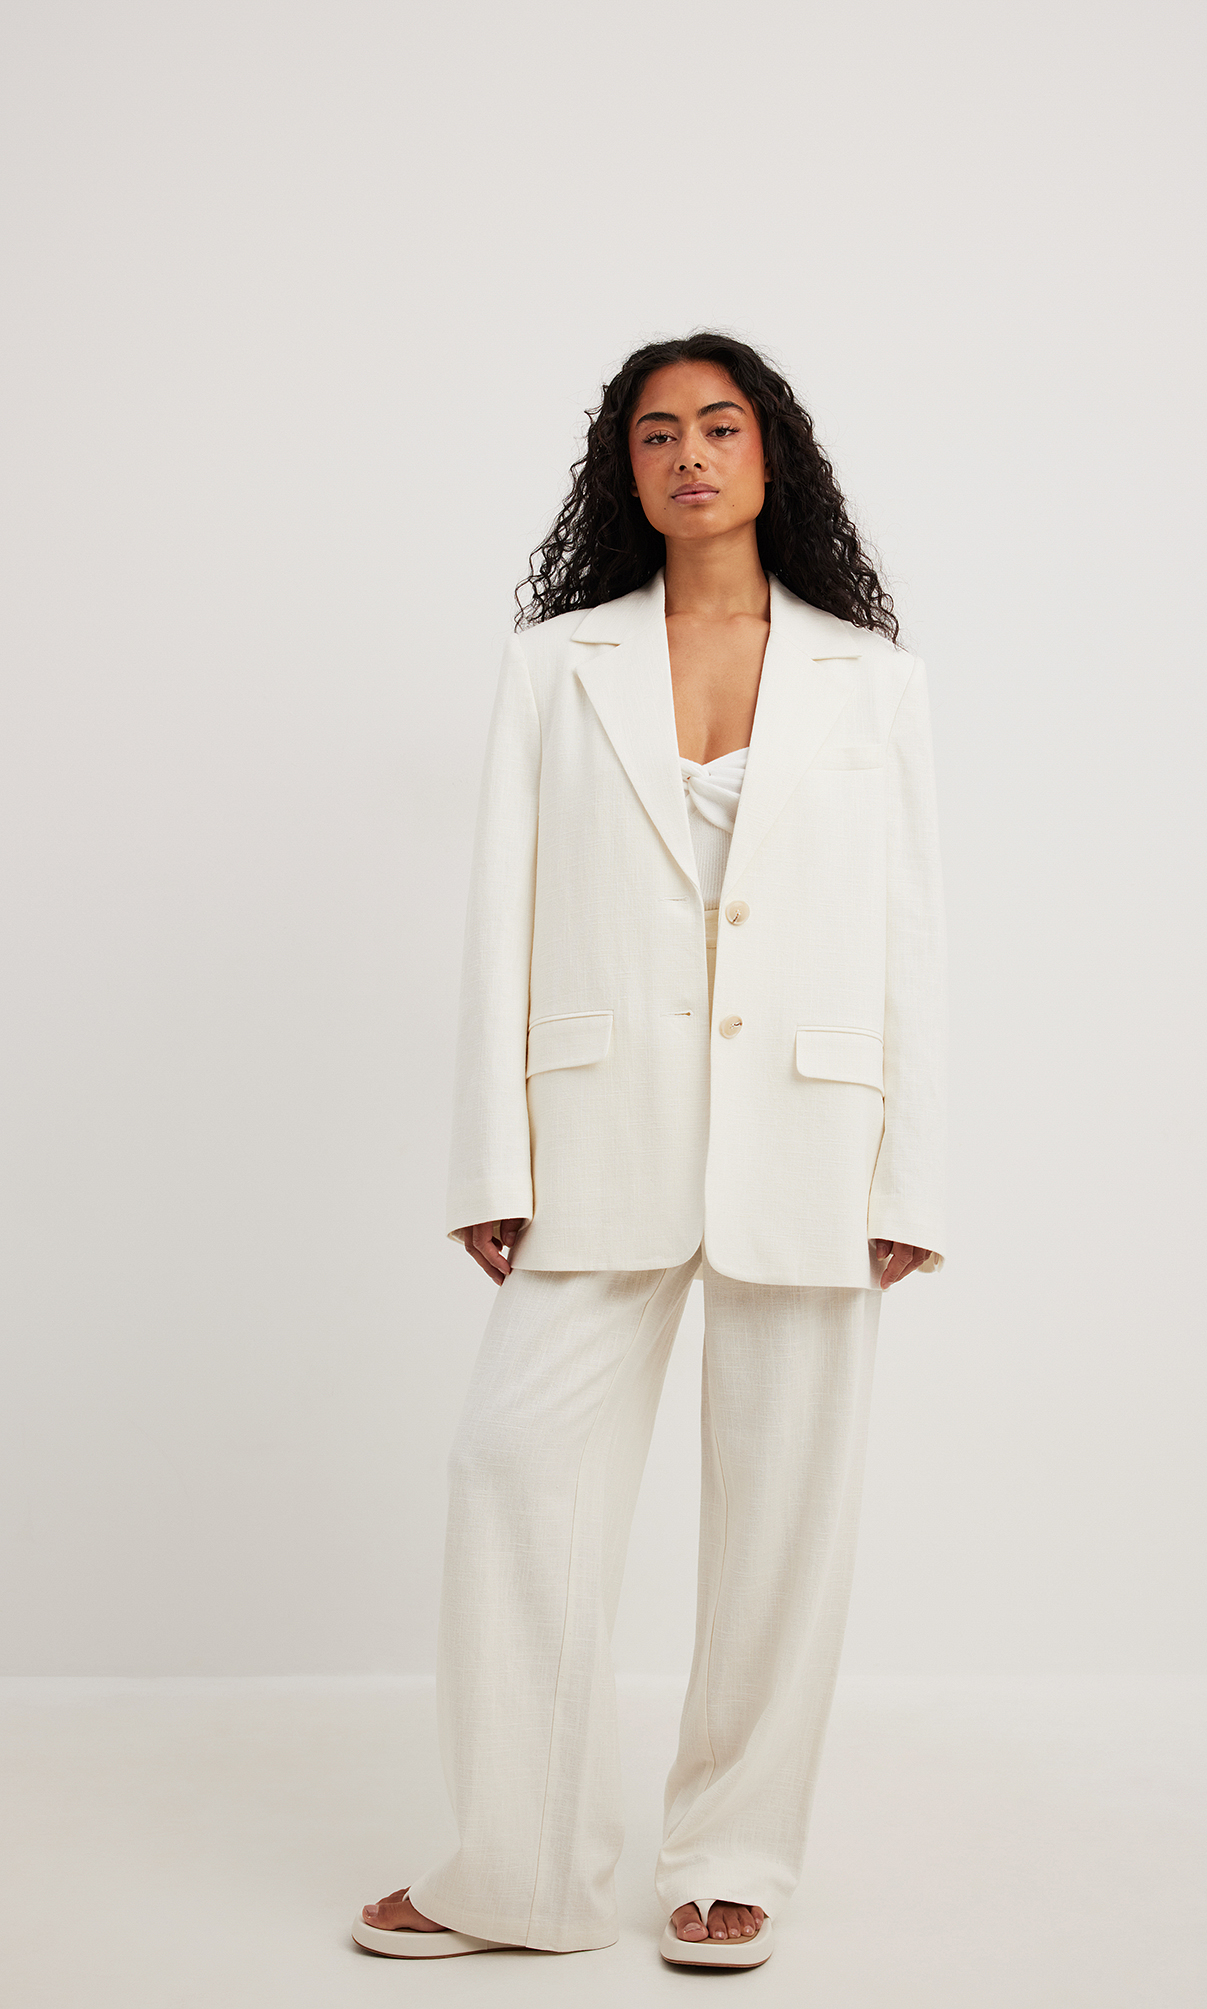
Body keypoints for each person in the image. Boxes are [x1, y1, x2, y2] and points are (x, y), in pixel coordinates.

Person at [353, 331, 947, 1971]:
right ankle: (520, 1871)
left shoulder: (871, 678)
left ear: (772, 453)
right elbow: (503, 910)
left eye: (721, 425)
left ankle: (731, 1854)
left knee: (784, 1521)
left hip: (814, 1134)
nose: (690, 454)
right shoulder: (557, 665)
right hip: (599, 1127)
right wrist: (492, 1157)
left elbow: (912, 935)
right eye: (657, 432)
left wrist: (911, 1173)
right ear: (624, 470)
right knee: (511, 1468)